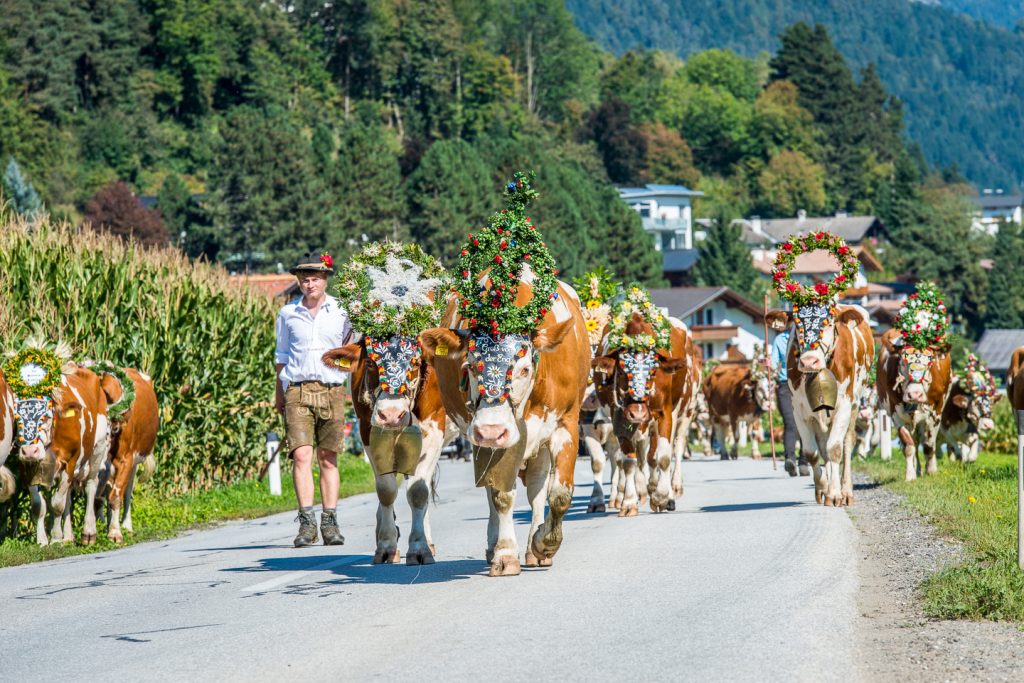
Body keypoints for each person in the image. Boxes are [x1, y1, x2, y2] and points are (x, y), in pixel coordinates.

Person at [275, 251, 353, 547]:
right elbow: (281, 356)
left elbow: (350, 351)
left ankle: (330, 523)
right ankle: (307, 524)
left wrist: (346, 382)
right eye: (305, 279)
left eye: (315, 278)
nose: (310, 284)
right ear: (299, 282)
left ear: (325, 280)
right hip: (296, 389)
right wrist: (278, 392)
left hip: (332, 390)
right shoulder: (287, 314)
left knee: (328, 458)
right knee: (301, 455)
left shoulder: (342, 311)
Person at [770, 325, 809, 477]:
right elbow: (773, 363)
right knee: (790, 422)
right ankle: (790, 460)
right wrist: (768, 364)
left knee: (806, 422)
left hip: (805, 383)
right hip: (786, 384)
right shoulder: (780, 339)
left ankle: (804, 461)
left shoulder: (808, 339)